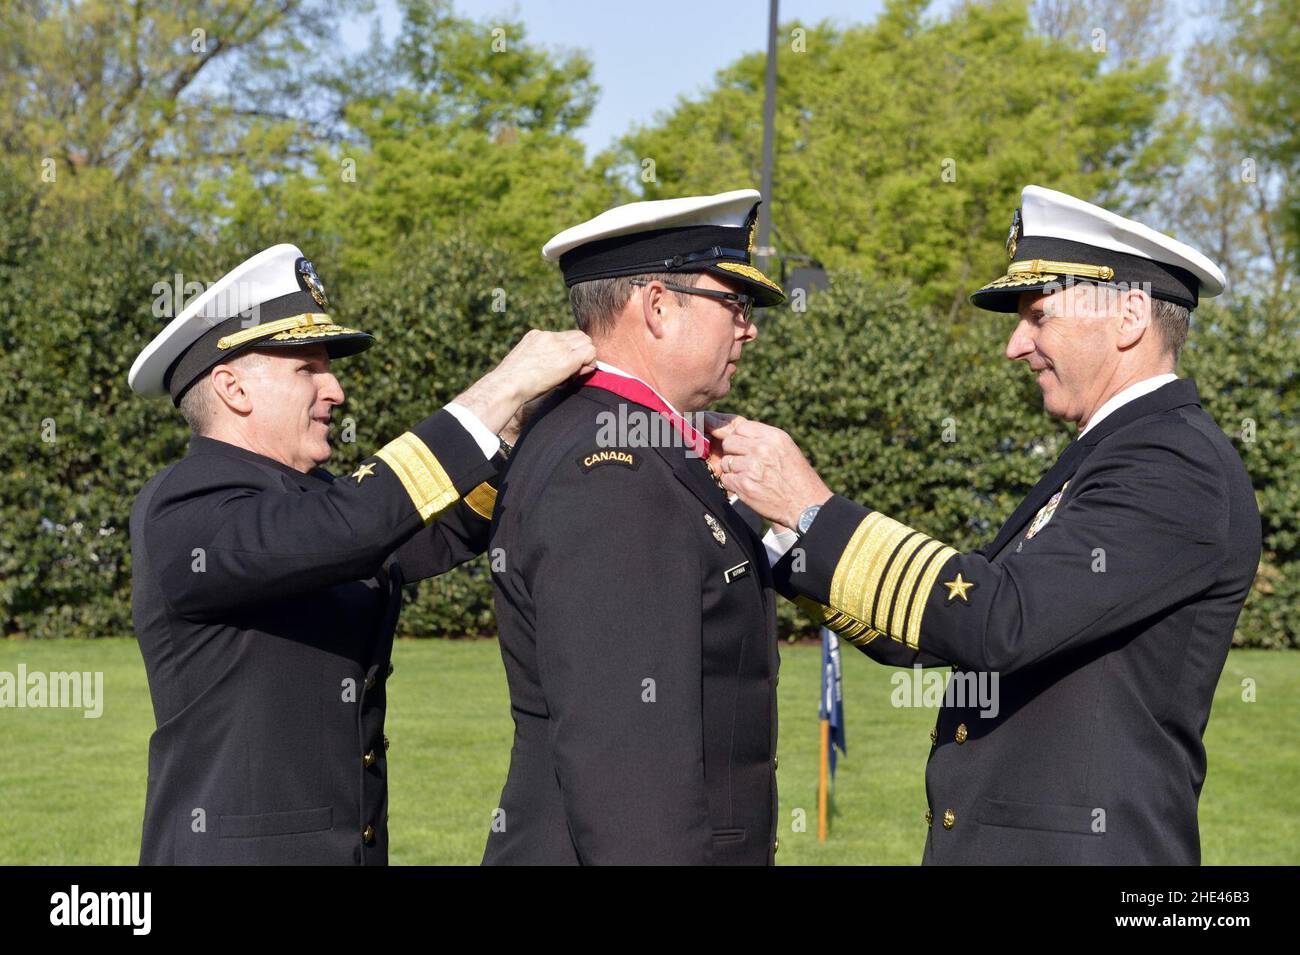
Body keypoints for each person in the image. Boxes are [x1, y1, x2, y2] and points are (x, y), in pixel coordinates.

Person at [710, 185, 1261, 864]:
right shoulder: (1115, 451)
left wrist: (811, 508)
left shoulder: (1172, 463)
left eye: (1038, 316)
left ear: (1128, 317)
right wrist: (770, 523)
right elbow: (939, 629)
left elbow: (998, 620)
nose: (1014, 346)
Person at [127, 243, 594, 864]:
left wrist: (513, 431)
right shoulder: (184, 504)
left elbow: (419, 535)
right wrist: (499, 390)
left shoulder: (308, 501)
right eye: (308, 368)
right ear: (232, 386)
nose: (336, 390)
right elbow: (349, 527)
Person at [482, 190, 788, 864]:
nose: (749, 328)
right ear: (656, 305)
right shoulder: (613, 471)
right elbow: (627, 766)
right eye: (734, 304)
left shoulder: (627, 441)